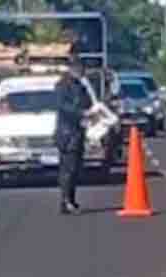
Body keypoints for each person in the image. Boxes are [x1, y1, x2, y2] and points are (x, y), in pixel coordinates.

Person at [54, 57, 95, 215]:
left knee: (76, 168)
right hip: (67, 133)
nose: (83, 72)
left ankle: (71, 199)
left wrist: (92, 111)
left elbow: (87, 102)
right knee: (68, 169)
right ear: (73, 68)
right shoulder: (63, 85)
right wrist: (81, 113)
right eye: (80, 69)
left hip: (78, 131)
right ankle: (66, 200)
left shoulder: (80, 85)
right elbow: (63, 106)